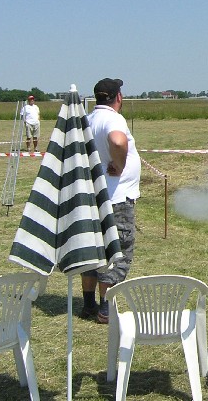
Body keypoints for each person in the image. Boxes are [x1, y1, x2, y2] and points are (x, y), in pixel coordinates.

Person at [81, 78, 141, 324]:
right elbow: (118, 141)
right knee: (116, 251)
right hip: (116, 199)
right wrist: (120, 163)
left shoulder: (88, 119)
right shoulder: (113, 119)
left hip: (94, 196)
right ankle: (105, 308)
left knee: (92, 249)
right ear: (118, 97)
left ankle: (88, 303)